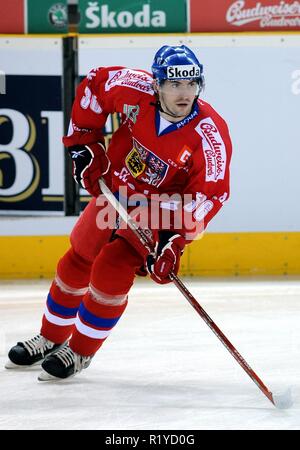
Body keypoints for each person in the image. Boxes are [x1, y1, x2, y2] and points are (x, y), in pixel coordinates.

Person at [5, 45, 232, 381]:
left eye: (191, 84)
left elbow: (210, 196)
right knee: (77, 258)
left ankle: (80, 351)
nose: (184, 94)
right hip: (116, 192)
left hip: (156, 212)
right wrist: (85, 145)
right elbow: (95, 88)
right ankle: (51, 338)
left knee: (111, 269)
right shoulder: (133, 88)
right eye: (174, 84)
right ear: (156, 83)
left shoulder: (209, 134)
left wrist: (173, 240)